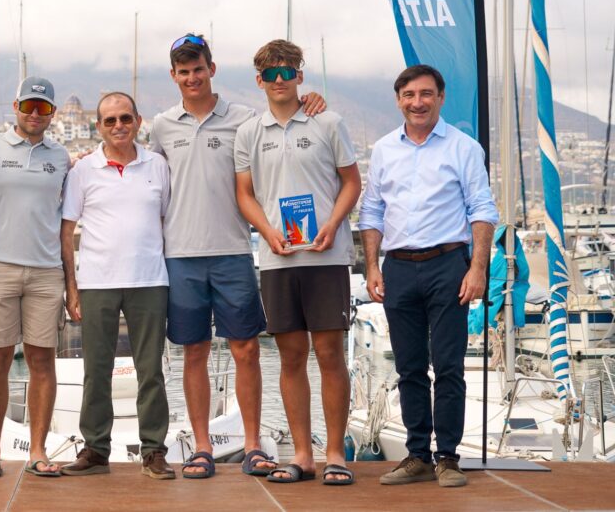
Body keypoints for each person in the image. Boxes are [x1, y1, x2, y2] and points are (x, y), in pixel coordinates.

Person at [149, 33, 324, 479]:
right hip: (180, 256)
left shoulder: (245, 119)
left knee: (246, 350)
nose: (192, 77)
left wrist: (311, 101)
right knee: (193, 353)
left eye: (198, 69)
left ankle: (251, 445)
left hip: (233, 253)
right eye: (184, 72)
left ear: (212, 69)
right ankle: (201, 447)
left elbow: (286, 119)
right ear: (174, 76)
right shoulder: (162, 126)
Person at [358, 64, 497, 488]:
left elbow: (482, 209)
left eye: (425, 94)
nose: (417, 102)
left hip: (448, 265)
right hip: (398, 267)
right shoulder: (385, 149)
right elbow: (372, 210)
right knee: (409, 367)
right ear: (398, 100)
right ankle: (417, 455)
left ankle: (448, 458)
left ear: (440, 97)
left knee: (449, 366)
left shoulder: (464, 148)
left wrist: (477, 269)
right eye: (409, 95)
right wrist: (372, 265)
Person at [234, 39, 361, 486]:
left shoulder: (328, 122)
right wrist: (267, 233)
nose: (280, 80)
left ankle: (335, 454)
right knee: (290, 357)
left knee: (329, 354)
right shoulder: (249, 132)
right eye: (271, 74)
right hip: (277, 259)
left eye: (287, 72)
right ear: (260, 81)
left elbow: (352, 183)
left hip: (326, 255)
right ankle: (303, 455)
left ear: (299, 76)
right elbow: (244, 195)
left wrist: (333, 223)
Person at [60, 92, 175, 480]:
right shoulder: (83, 170)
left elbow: (166, 221)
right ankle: (95, 450)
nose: (118, 126)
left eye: (125, 118)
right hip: (97, 284)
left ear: (138, 121)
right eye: (109, 120)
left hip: (150, 281)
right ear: (98, 126)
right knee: (96, 371)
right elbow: (67, 231)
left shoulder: (157, 166)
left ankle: (154, 451)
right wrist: (72, 288)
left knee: (151, 371)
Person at [0, 76, 72, 477]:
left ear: (52, 113)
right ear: (15, 107)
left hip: (47, 272)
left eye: (42, 108)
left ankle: (38, 451)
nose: (34, 113)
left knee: (42, 361)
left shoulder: (61, 157)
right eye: (28, 105)